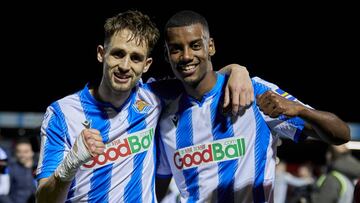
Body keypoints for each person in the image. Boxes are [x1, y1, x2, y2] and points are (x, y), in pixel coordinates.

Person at [35, 10, 253, 203]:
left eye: (136, 58)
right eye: (118, 54)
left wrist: (237, 70)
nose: (125, 66)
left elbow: (202, 77)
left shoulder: (153, 97)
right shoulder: (62, 113)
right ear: (101, 53)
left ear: (146, 65)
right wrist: (69, 165)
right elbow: (43, 199)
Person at [155, 10, 350, 203]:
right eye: (176, 49)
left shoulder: (253, 92)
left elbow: (341, 135)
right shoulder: (163, 110)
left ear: (211, 46)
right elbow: (160, 183)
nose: (186, 56)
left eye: (195, 45)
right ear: (167, 54)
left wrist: (301, 110)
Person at [6, 138, 37, 203]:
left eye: (26, 152)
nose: (22, 155)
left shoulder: (40, 169)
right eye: (19, 152)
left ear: (32, 152)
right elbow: (3, 193)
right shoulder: (10, 169)